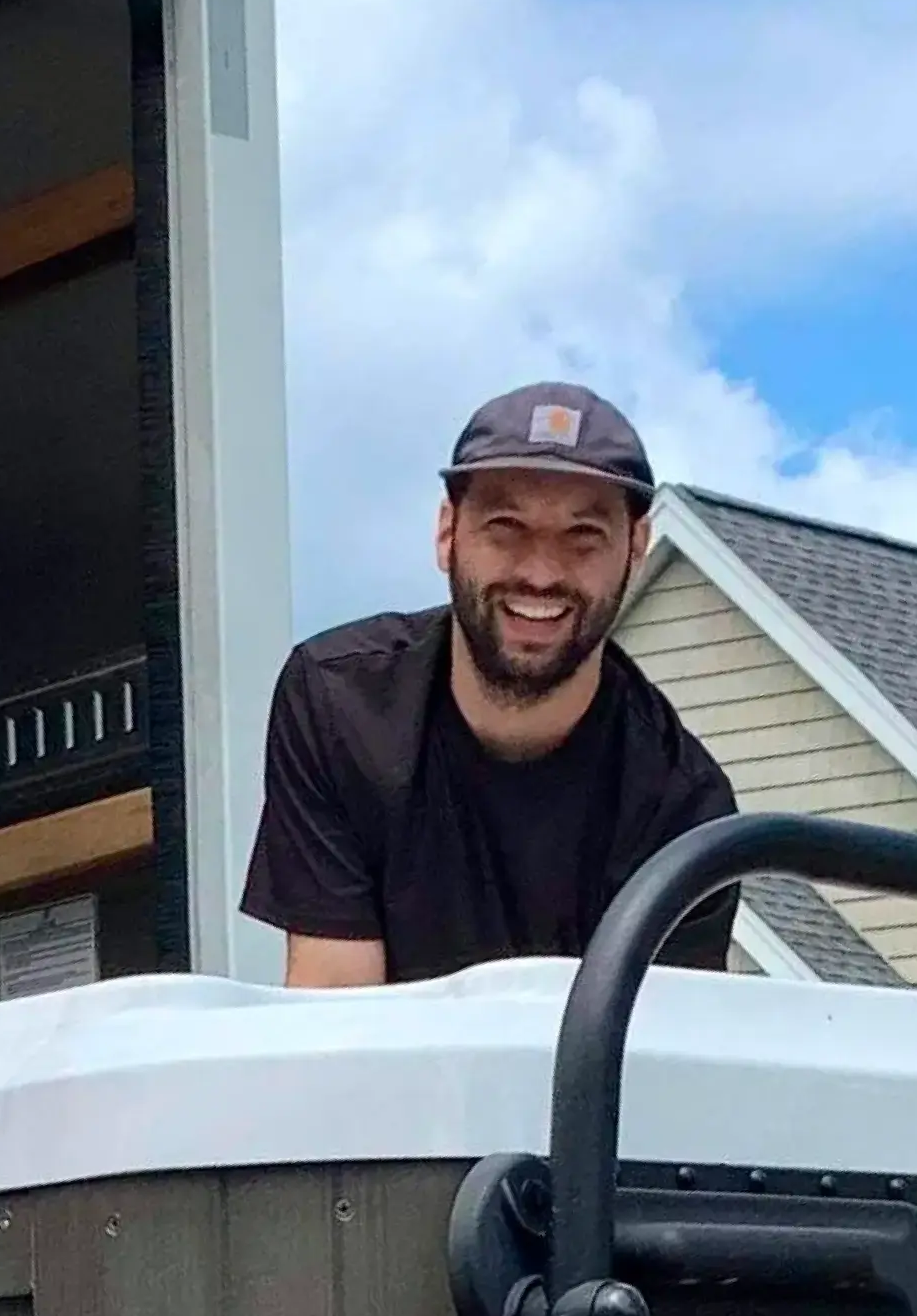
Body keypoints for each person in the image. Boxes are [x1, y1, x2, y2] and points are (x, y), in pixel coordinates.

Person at [242, 382, 738, 985]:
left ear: (636, 551)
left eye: (583, 538)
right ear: (448, 533)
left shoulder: (682, 808)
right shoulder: (340, 704)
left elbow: (645, 1061)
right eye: (506, 527)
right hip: (383, 1075)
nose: (540, 572)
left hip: (573, 1081)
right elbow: (335, 1013)